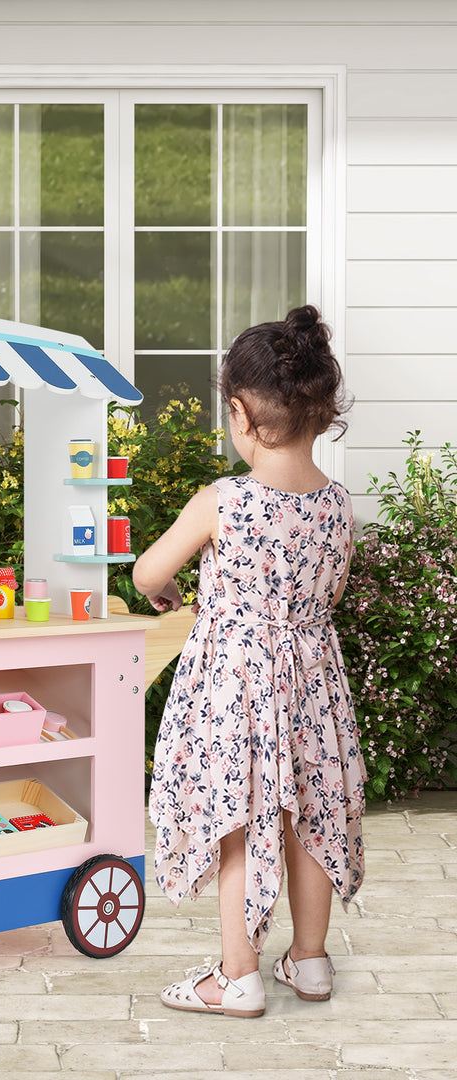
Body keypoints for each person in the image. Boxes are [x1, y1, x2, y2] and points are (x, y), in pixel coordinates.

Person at [133, 304, 365, 1018]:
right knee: (312, 815)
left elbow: (148, 574)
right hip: (314, 683)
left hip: (237, 684)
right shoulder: (339, 506)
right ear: (321, 413)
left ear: (239, 413)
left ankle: (238, 976)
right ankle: (311, 961)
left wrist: (175, 589)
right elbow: (324, 592)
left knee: (239, 814)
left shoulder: (222, 501)